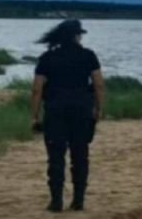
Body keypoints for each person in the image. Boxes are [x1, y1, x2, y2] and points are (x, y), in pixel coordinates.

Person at [30, 19, 105, 212]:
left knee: (56, 157)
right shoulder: (88, 56)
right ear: (76, 36)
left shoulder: (47, 58)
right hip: (81, 111)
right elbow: (98, 84)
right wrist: (98, 109)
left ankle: (56, 201)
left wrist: (35, 116)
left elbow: (37, 89)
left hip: (55, 111)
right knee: (80, 156)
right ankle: (78, 200)